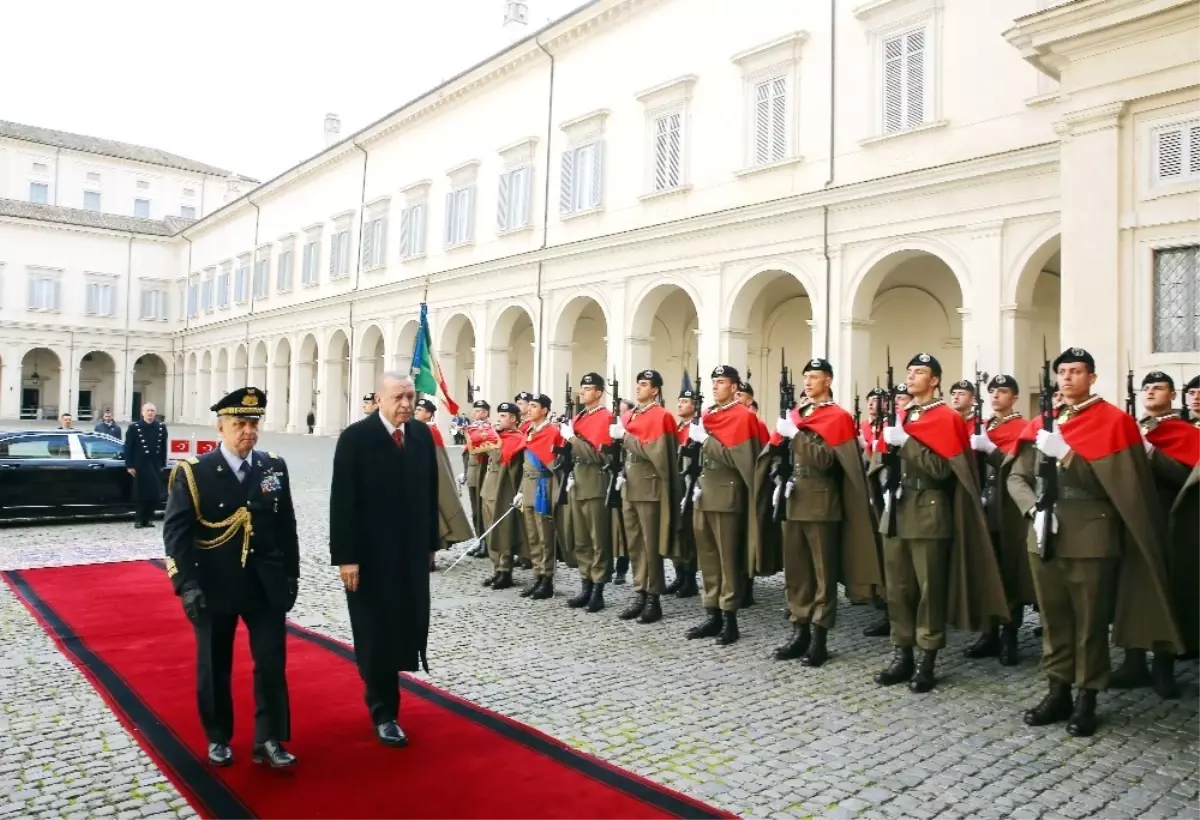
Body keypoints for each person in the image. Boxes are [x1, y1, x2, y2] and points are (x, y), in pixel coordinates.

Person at [1007, 349, 1182, 736]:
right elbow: (1016, 476)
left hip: (1092, 534)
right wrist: (1032, 511)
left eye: (1076, 372)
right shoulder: (1044, 421)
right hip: (1044, 531)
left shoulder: (1113, 422)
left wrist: (1067, 453)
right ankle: (1058, 691)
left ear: (1093, 377)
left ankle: (1087, 697)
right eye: (1063, 372)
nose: (1067, 379)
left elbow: (1116, 485)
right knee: (1052, 620)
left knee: (1089, 623)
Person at [162, 386, 298, 769]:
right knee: (214, 663)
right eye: (239, 423)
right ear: (220, 426)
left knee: (271, 662)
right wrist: (185, 584)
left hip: (264, 583)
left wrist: (291, 575)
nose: (248, 431)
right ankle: (218, 735)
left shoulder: (273, 467)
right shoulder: (194, 473)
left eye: (254, 423)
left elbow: (286, 525)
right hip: (214, 583)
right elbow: (176, 534)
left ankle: (269, 738)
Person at [872, 353, 1008, 693]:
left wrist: (908, 444)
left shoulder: (946, 417)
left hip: (929, 508)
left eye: (920, 372)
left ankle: (927, 659)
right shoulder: (905, 414)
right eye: (910, 370)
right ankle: (901, 653)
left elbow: (942, 470)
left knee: (929, 589)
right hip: (899, 507)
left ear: (934, 380)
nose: (913, 376)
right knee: (899, 588)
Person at [330, 372, 439, 748]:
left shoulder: (422, 437)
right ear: (379, 399)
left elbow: (430, 493)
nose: (407, 404)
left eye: (411, 396)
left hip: (409, 555)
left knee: (405, 623)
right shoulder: (356, 439)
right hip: (369, 558)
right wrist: (346, 557)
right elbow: (342, 502)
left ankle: (389, 695)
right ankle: (384, 711)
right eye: (398, 397)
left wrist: (430, 544)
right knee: (375, 631)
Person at [764, 358, 883, 667]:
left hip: (821, 501)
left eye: (814, 377)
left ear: (828, 381)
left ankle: (819, 636)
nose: (808, 382)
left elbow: (826, 461)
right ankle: (798, 629)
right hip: (793, 498)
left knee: (822, 573)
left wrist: (798, 435)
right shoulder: (797, 415)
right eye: (806, 377)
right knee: (797, 571)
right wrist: (778, 473)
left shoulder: (838, 417)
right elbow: (777, 453)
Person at [1109, 371, 1200, 697]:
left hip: (1166, 522)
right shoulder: (1133, 427)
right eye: (1146, 387)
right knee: (1130, 591)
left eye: (1158, 387)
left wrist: (1151, 453)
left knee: (1164, 593)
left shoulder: (1184, 432)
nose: (1149, 392)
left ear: (1173, 396)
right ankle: (1133, 662)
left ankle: (1163, 666)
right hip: (1132, 518)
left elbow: (1187, 478)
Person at [685, 366, 769, 646]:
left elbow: (740, 461)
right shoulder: (710, 414)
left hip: (727, 494)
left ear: (734, 387)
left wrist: (706, 441)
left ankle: (730, 617)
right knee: (708, 557)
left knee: (727, 558)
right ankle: (712, 612)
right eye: (714, 382)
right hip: (705, 491)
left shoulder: (742, 417)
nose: (715, 387)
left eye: (721, 382)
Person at [965, 374, 1034, 666]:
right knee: (985, 569)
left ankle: (1009, 636)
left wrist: (991, 451)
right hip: (982, 504)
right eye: (992, 391)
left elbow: (1018, 470)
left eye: (1003, 391)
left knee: (1007, 571)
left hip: (1005, 508)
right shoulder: (985, 425)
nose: (995, 396)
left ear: (1015, 397)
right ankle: (988, 632)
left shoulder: (1022, 427)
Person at [612, 369, 681, 624]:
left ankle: (654, 597)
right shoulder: (631, 415)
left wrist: (626, 438)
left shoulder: (661, 416)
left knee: (651, 546)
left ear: (655, 390)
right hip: (630, 485)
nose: (639, 388)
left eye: (644, 385)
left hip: (650, 488)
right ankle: (640, 590)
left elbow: (655, 453)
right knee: (635, 544)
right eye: (638, 384)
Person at [560, 374, 614, 613]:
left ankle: (598, 589)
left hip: (594, 482)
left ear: (599, 393)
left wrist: (571, 437)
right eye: (582, 388)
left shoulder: (605, 418)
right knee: (581, 538)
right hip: (577, 482)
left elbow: (598, 456)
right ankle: (586, 583)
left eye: (588, 389)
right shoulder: (580, 417)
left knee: (597, 538)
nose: (583, 393)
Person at [415, 398, 473, 568]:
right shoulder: (412, 429)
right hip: (415, 485)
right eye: (416, 408)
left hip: (428, 486)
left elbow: (439, 463)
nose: (417, 411)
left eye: (420, 409)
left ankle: (429, 560)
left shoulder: (431, 431)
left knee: (431, 523)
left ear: (429, 414)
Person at [519, 394, 564, 599]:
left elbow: (555, 464)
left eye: (534, 406)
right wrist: (520, 490)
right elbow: (525, 463)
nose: (529, 409)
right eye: (529, 406)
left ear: (544, 410)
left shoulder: (552, 431)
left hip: (543, 485)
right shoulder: (528, 430)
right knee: (532, 534)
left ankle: (547, 578)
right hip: (528, 484)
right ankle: (537, 574)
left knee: (544, 533)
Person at [481, 403, 524, 590]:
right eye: (499, 415)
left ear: (514, 419)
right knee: (490, 530)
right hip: (489, 487)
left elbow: (500, 457)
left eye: (504, 415)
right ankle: (496, 568)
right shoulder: (499, 436)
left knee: (503, 530)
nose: (500, 419)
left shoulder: (516, 438)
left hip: (503, 488)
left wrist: (493, 439)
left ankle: (506, 570)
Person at [668, 388, 701, 598]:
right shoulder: (678, 427)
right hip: (677, 484)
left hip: (690, 485)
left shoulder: (697, 428)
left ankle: (690, 579)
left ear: (695, 406)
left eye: (685, 401)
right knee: (676, 533)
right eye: (679, 400)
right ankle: (679, 574)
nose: (680, 404)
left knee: (688, 534)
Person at [124, 403, 169, 528]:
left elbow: (163, 447)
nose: (150, 413)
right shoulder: (134, 427)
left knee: (154, 493)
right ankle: (139, 519)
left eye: (152, 410)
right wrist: (129, 465)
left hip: (155, 464)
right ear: (142, 412)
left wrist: (163, 463)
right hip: (140, 464)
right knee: (141, 493)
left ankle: (148, 518)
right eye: (148, 410)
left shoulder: (161, 427)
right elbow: (128, 447)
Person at [462, 400, 492, 560]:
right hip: (473, 473)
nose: (476, 414)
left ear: (487, 413)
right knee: (475, 511)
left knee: (482, 511)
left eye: (480, 411)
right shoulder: (473, 429)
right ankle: (480, 540)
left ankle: (486, 543)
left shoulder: (488, 430)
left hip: (482, 473)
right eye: (475, 411)